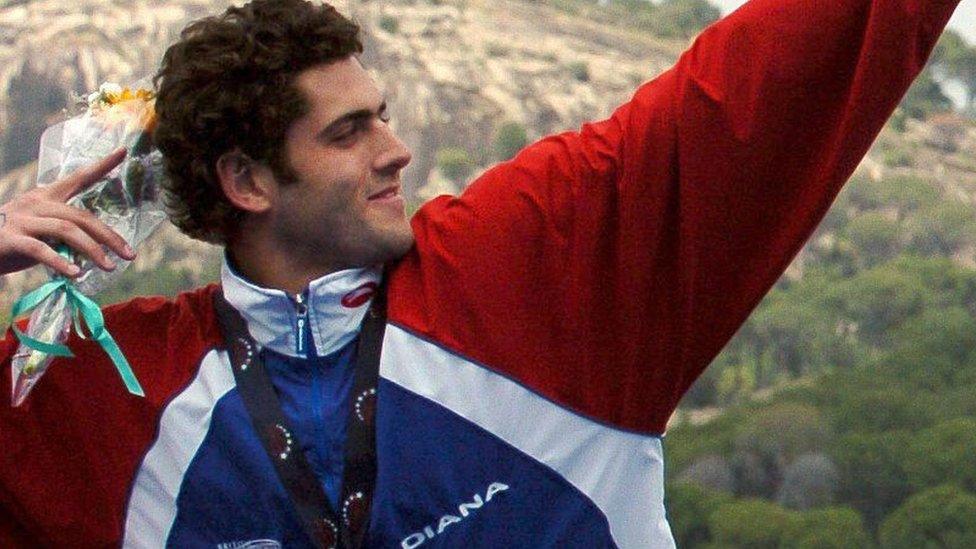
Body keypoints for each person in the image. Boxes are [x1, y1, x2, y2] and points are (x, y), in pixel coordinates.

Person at [0, 0, 960, 546]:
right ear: (247, 181)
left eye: (382, 113)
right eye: (350, 132)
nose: (398, 150)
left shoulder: (531, 272)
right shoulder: (99, 397)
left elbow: (781, 68)